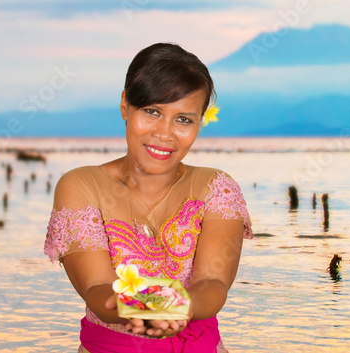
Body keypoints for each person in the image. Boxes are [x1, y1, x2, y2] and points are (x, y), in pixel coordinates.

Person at [44, 42, 253, 353]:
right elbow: (97, 289)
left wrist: (180, 307)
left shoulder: (216, 188)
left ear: (199, 122)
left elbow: (214, 283)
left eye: (184, 119)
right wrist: (155, 306)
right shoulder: (82, 185)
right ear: (125, 105)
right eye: (152, 111)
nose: (164, 133)